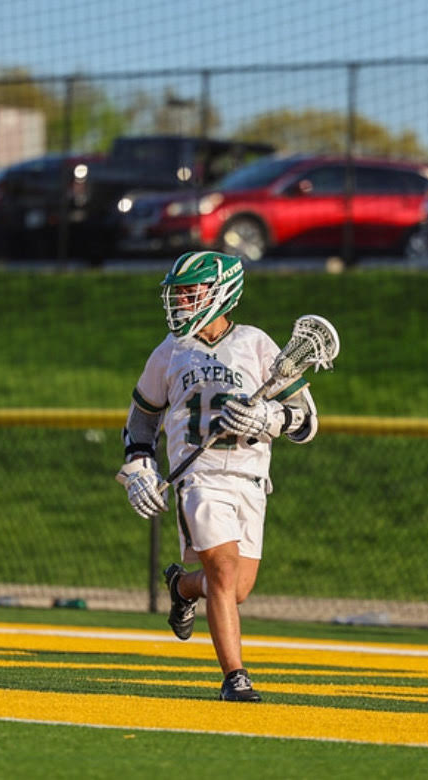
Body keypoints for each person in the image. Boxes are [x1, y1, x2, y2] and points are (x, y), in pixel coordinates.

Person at [117, 251, 318, 702]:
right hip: (198, 477)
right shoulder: (169, 351)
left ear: (221, 293)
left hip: (250, 479)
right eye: (180, 293)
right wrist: (139, 464)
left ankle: (182, 586)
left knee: (235, 588)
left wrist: (268, 417)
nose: (181, 302)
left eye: (191, 293)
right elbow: (142, 418)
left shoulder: (257, 344)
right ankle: (235, 678)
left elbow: (307, 422)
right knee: (224, 574)